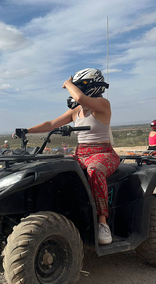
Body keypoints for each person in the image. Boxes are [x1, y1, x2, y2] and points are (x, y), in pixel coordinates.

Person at [14, 68, 120, 245]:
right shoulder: (76, 111)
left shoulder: (103, 104)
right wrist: (26, 130)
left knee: (94, 171)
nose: (76, 90)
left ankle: (102, 223)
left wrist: (68, 83)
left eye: (80, 86)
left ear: (91, 86)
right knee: (55, 167)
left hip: (103, 153)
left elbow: (79, 97)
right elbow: (51, 124)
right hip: (81, 153)